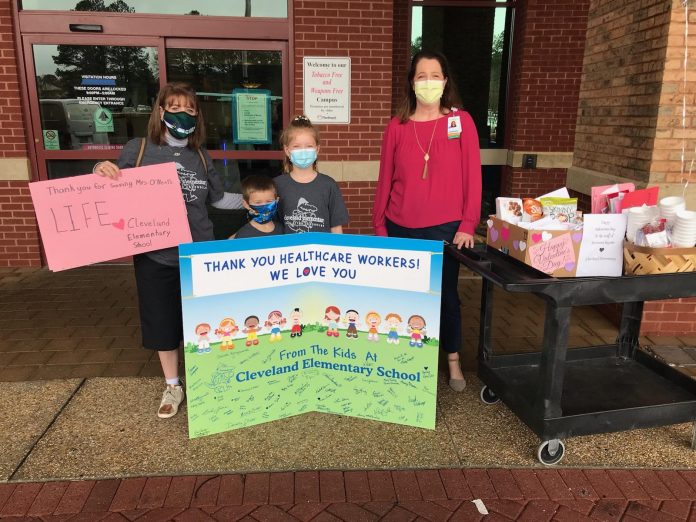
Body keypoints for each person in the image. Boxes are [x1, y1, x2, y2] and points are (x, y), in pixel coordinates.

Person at [94, 82, 245, 418]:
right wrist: (98, 172)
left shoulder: (202, 156)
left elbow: (218, 200)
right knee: (162, 321)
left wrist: (253, 202)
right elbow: (113, 188)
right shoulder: (140, 148)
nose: (183, 114)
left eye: (191, 110)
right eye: (176, 107)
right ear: (161, 112)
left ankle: (207, 378)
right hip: (155, 254)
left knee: (204, 321)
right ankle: (173, 385)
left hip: (199, 252)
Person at [372, 51, 482, 392]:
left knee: (446, 296)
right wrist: (380, 226)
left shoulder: (461, 122)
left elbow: (473, 178)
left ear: (445, 81)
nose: (429, 82)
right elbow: (384, 179)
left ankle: (452, 359)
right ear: (411, 82)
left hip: (446, 228)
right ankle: (407, 358)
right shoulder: (397, 126)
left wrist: (468, 224)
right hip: (400, 225)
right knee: (407, 297)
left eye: (435, 75)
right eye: (422, 75)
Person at [275, 115, 349, 234]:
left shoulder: (329, 185)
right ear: (287, 150)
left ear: (317, 149)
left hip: (321, 251)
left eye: (309, 146)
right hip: (290, 251)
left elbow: (336, 228)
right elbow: (272, 227)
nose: (303, 151)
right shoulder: (277, 185)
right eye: (296, 146)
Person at [233, 174, 283, 238]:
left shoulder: (283, 229)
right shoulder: (244, 235)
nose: (264, 206)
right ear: (246, 204)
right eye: (258, 202)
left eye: (269, 201)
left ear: (277, 201)